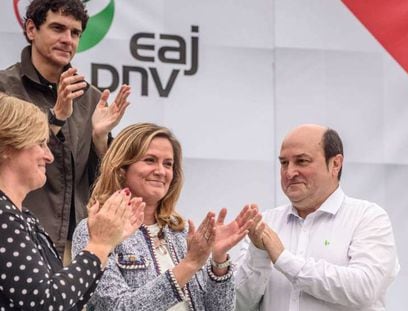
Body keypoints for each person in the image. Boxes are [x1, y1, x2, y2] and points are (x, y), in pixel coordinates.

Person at [72, 123, 255, 310]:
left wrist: (219, 262)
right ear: (121, 168)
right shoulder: (95, 229)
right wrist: (189, 264)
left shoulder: (181, 232)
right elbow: (117, 307)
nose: (161, 171)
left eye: (168, 164)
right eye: (150, 160)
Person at [0, 0, 131, 260]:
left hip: (78, 244)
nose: (67, 39)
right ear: (31, 29)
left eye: (74, 33)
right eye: (57, 28)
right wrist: (56, 118)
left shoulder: (92, 98)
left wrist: (101, 140)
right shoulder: (5, 89)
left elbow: (102, 183)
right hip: (16, 233)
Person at [0, 93, 145, 310]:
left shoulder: (24, 217)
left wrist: (104, 246)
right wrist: (99, 245)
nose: (49, 157)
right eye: (40, 143)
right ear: (7, 147)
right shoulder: (3, 215)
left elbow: (69, 302)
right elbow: (45, 303)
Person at [235, 124, 399, 311]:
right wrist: (258, 253)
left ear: (335, 164)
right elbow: (239, 304)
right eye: (284, 163)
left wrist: (284, 258)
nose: (289, 173)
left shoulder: (368, 218)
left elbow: (364, 290)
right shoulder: (264, 223)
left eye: (302, 161)